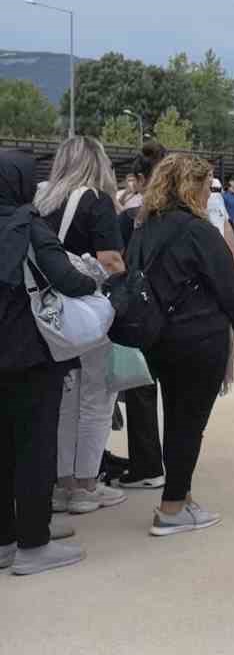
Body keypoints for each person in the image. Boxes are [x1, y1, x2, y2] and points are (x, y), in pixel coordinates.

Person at [133, 154, 234, 537]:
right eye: (206, 184)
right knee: (188, 424)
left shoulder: (144, 226)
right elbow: (232, 291)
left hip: (157, 338)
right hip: (198, 338)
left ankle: (178, 498)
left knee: (176, 417)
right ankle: (172, 507)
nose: (208, 192)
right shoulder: (199, 231)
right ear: (191, 186)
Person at [0, 150, 99, 575]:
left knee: (2, 448)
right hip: (29, 354)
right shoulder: (27, 226)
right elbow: (68, 280)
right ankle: (34, 543)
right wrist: (96, 277)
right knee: (34, 446)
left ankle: (5, 538)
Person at [35, 136, 127, 516]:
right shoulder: (97, 201)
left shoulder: (42, 202)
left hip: (50, 315)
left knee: (64, 401)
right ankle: (86, 486)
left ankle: (61, 484)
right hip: (88, 313)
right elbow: (110, 262)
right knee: (97, 398)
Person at [115, 141, 169, 491]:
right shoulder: (186, 216)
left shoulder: (127, 218)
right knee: (177, 392)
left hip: (140, 309)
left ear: (137, 178)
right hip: (179, 310)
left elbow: (118, 261)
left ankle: (147, 465)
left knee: (140, 387)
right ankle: (173, 464)